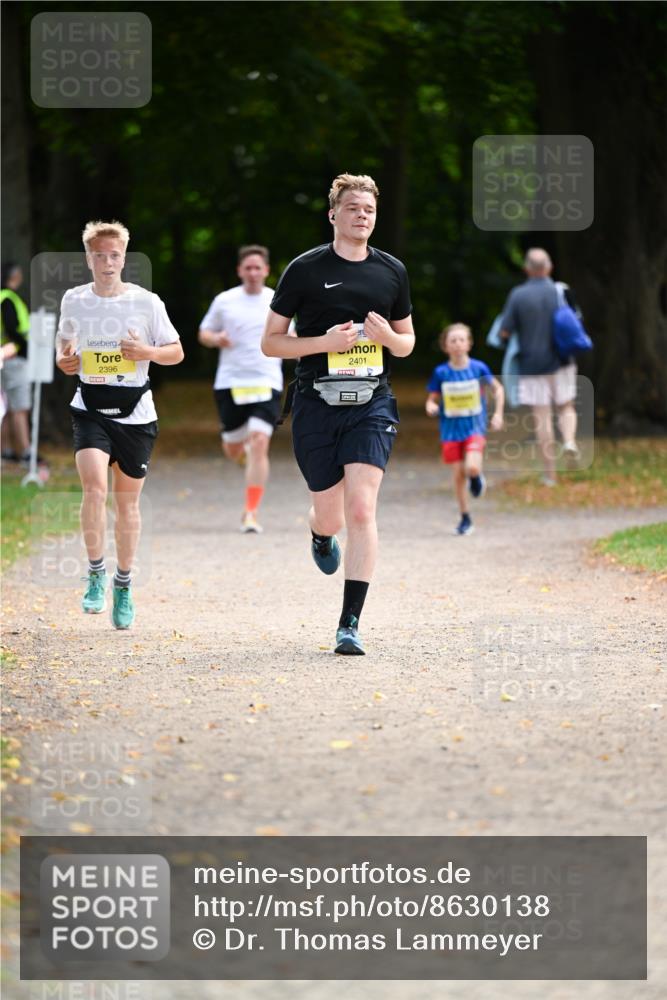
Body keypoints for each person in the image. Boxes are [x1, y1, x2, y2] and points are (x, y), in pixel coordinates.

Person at [262, 173, 414, 655]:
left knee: (362, 508)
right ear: (334, 214)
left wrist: (387, 338)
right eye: (352, 208)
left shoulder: (392, 272)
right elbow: (270, 343)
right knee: (331, 516)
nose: (362, 216)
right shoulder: (305, 270)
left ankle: (349, 623)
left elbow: (407, 344)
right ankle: (318, 533)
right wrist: (324, 344)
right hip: (316, 403)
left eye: (369, 210)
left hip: (372, 402)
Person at [55, 220, 184, 629]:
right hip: (89, 407)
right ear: (88, 259)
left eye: (114, 255)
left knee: (126, 505)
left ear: (124, 257)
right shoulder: (74, 300)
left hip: (136, 413)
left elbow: (176, 352)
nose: (107, 262)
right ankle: (95, 573)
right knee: (94, 490)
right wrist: (65, 360)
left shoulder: (147, 302)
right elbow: (64, 345)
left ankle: (123, 584)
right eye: (99, 255)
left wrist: (144, 350)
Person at [198, 245, 283, 533]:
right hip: (231, 382)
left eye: (258, 267)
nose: (253, 272)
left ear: (267, 271)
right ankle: (243, 456)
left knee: (259, 441)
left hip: (266, 380)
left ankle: (251, 512)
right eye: (248, 267)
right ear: (239, 271)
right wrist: (216, 338)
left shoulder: (277, 300)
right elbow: (204, 333)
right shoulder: (225, 300)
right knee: (233, 448)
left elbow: (292, 334)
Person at [500, 248, 579, 485]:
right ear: (549, 267)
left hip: (531, 364)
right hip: (562, 361)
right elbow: (576, 322)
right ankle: (569, 441)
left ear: (526, 269)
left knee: (542, 418)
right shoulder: (561, 291)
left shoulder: (518, 295)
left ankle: (550, 475)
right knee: (566, 406)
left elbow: (505, 331)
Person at [425, 323, 504, 535]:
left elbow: (498, 389)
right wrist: (431, 406)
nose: (458, 344)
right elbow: (432, 399)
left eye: (462, 340)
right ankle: (465, 516)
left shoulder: (478, 368)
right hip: (450, 431)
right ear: (445, 346)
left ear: (469, 343)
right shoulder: (441, 372)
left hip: (474, 428)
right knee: (459, 475)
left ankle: (477, 477)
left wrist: (498, 414)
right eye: (453, 341)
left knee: (471, 468)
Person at [1, 262, 31, 463]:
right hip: (13, 358)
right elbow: (12, 329)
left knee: (7, 407)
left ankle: (5, 451)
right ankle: (27, 452)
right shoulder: (8, 299)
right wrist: (25, 347)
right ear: (15, 276)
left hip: (5, 358)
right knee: (20, 407)